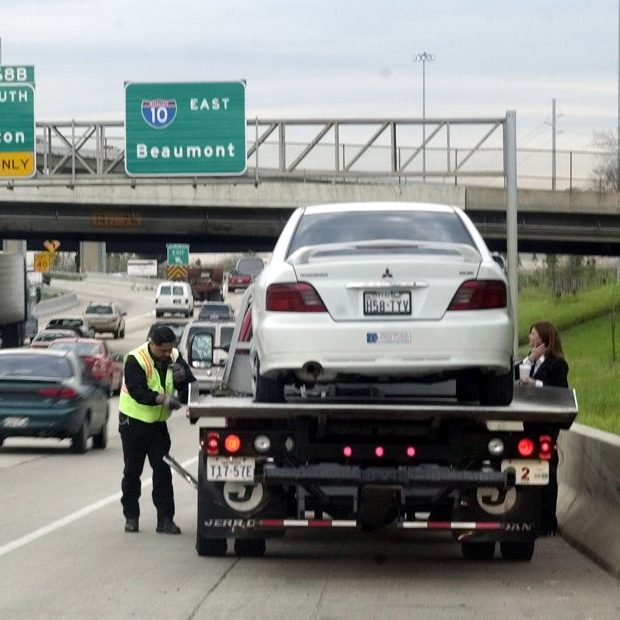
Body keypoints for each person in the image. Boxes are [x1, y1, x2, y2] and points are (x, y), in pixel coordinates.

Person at [118, 325, 196, 534]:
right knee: (132, 471)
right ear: (152, 344)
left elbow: (190, 387)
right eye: (163, 350)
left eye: (169, 350)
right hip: (133, 423)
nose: (167, 354)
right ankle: (131, 517)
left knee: (162, 471)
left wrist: (183, 381)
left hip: (157, 425)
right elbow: (137, 391)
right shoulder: (136, 359)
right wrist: (163, 399)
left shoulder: (174, 356)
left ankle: (165, 520)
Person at [516, 321, 569, 388]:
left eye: (533, 334)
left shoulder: (558, 363)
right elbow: (513, 375)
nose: (529, 336)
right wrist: (530, 359)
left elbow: (561, 388)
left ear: (543, 338)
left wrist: (535, 383)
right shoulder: (532, 358)